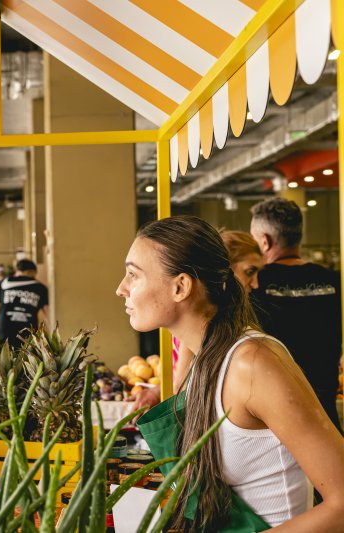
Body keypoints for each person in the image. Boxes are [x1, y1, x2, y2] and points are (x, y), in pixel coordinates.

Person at [118, 215, 344, 530]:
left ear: (181, 286)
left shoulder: (253, 363)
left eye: (133, 274)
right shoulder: (205, 357)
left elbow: (341, 504)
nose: (121, 289)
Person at [133, 229, 265, 411]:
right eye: (250, 271)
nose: (256, 283)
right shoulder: (203, 321)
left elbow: (181, 384)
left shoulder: (235, 334)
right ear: (223, 270)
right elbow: (181, 383)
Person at [250, 197, 343, 432]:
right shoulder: (335, 281)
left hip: (275, 423)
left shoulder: (254, 285)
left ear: (264, 241)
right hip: (326, 416)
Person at [0, 259, 49, 348]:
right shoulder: (40, 287)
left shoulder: (4, 283)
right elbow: (49, 316)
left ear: (17, 271)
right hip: (28, 338)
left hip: (4, 334)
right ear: (32, 272)